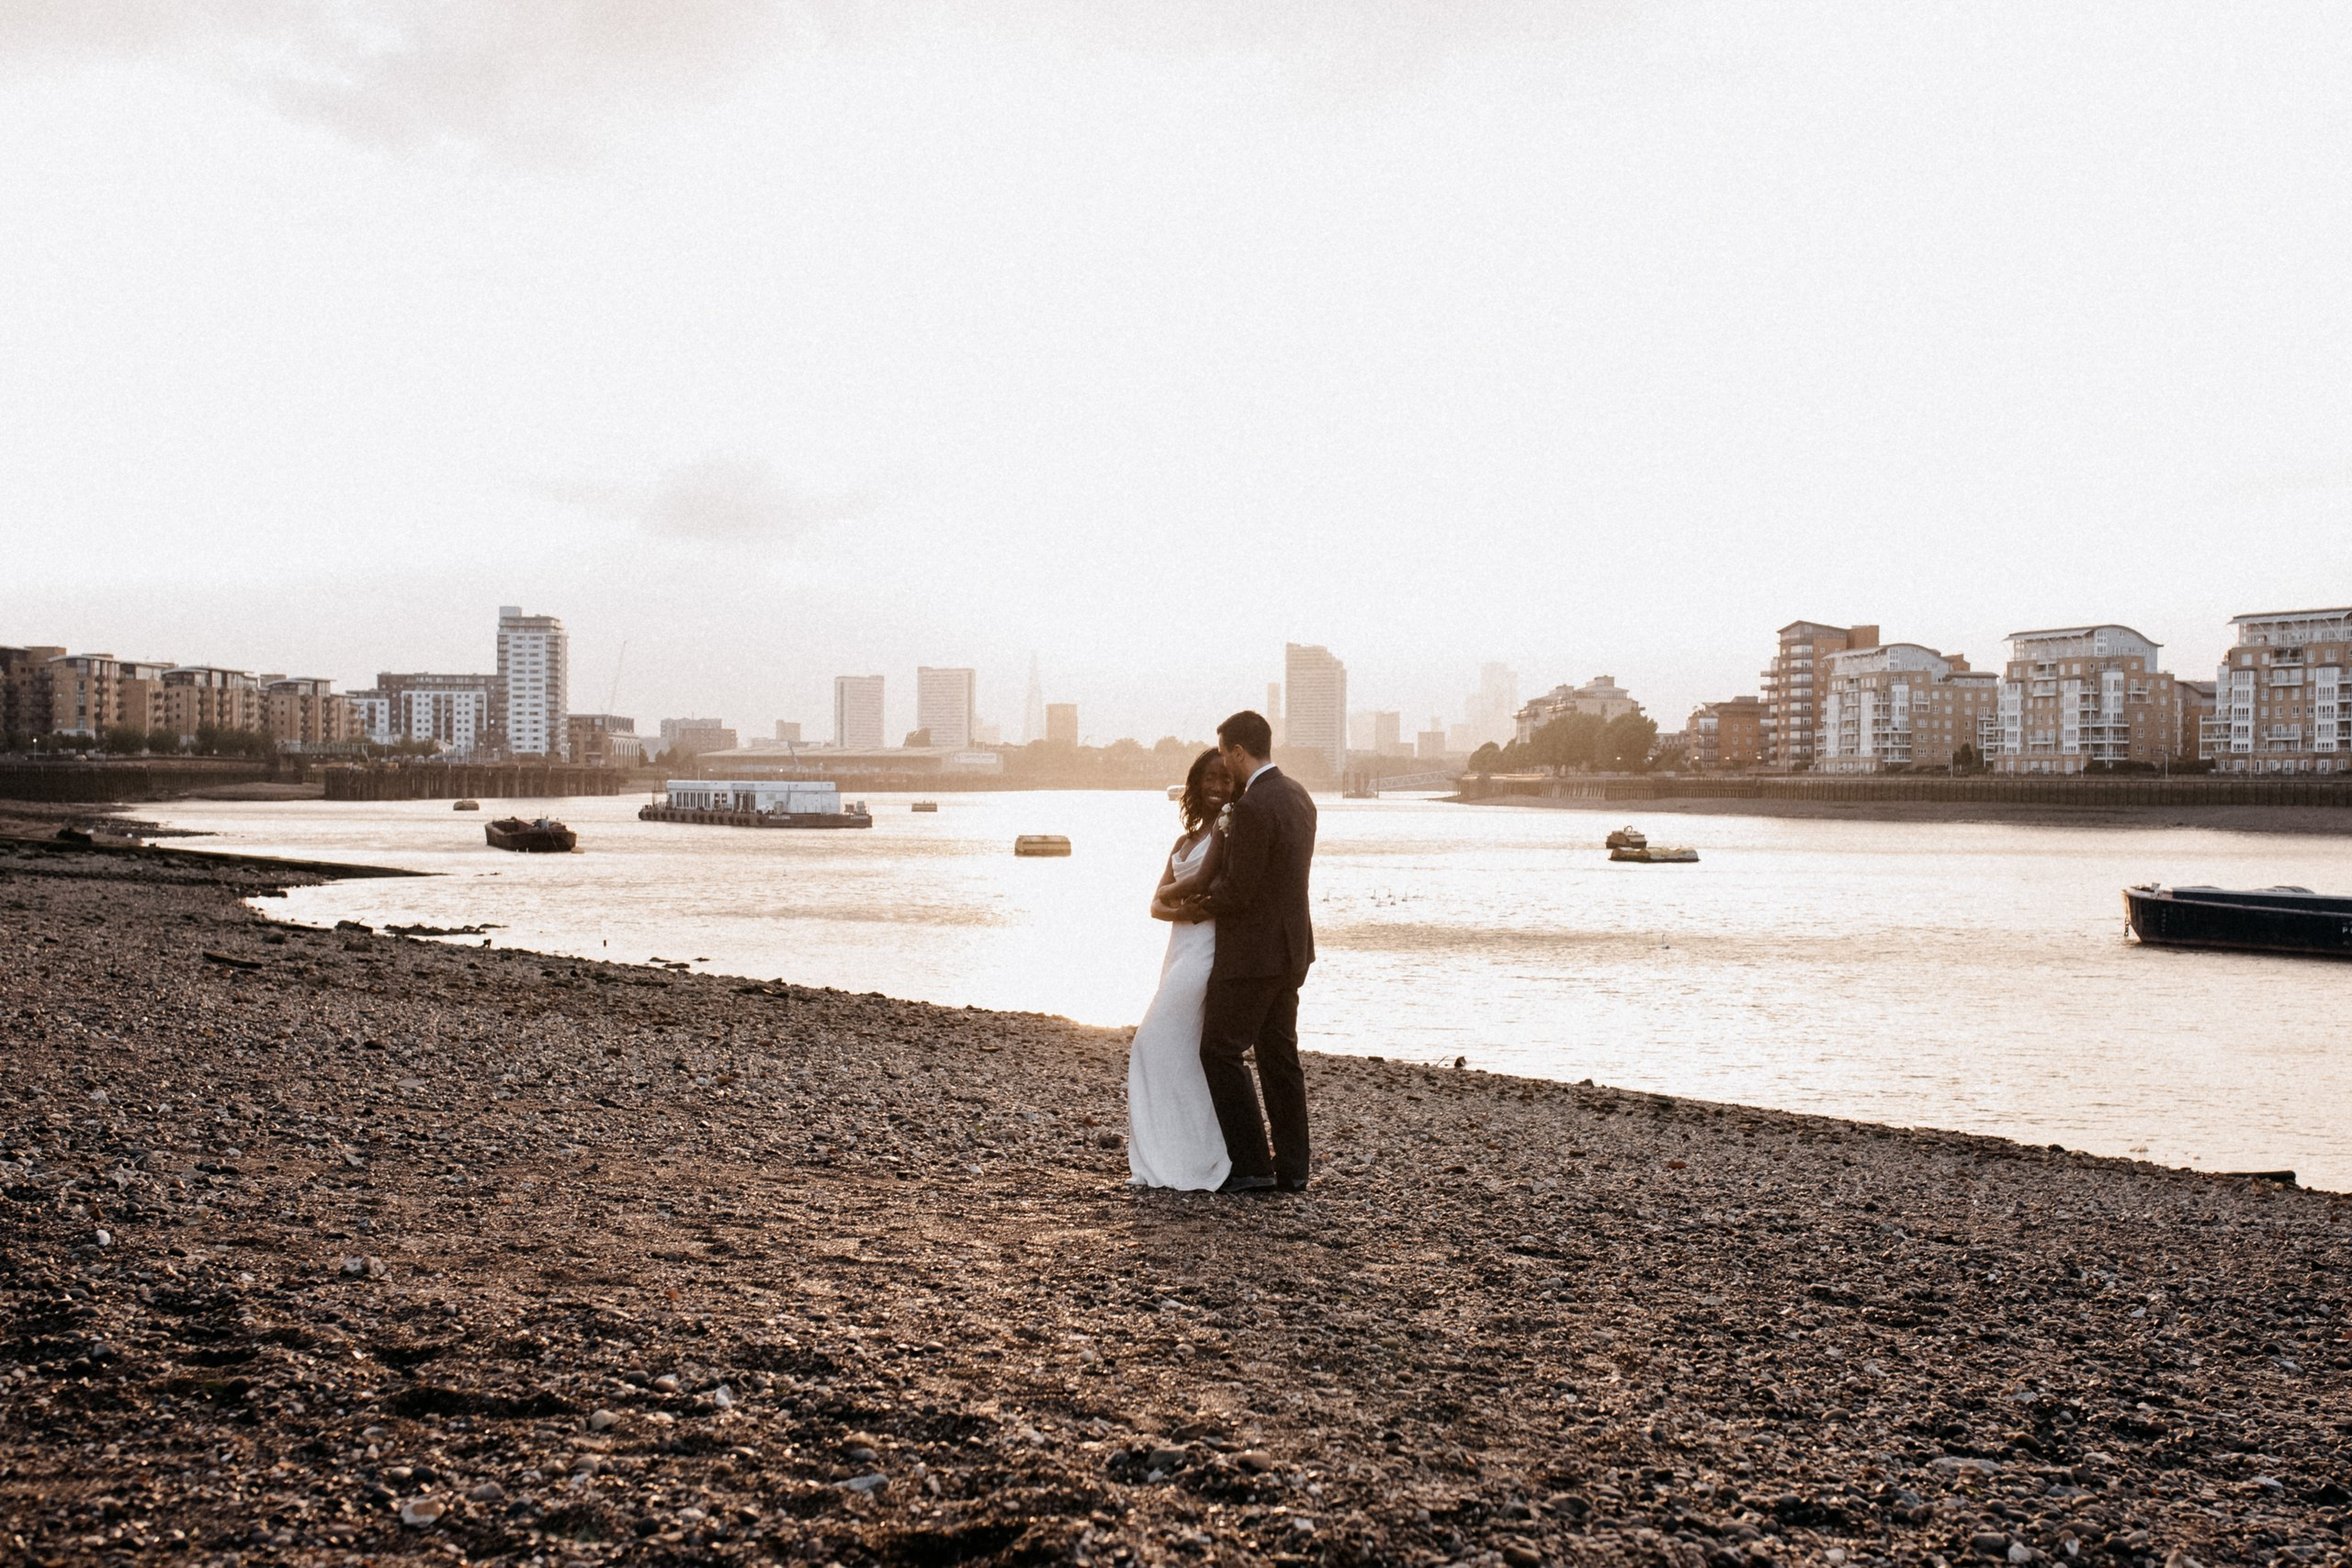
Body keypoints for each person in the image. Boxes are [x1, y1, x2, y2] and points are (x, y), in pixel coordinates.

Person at [1187, 710, 1317, 1194]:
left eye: (1225, 753)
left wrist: (1198, 906)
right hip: (1293, 949)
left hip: (1252, 956)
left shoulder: (1252, 807)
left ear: (1238, 752)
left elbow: (1240, 890)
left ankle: (1251, 1166)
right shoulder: (1299, 796)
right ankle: (1294, 1168)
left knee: (1219, 1050)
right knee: (1279, 1056)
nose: (1223, 762)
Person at [1125, 749, 1238, 1190]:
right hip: (1178, 949)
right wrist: (1179, 910)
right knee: (1180, 1050)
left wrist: (1174, 900)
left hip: (1207, 949)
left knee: (1150, 1042)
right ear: (1196, 783)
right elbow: (1155, 905)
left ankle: (1196, 1154)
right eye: (1210, 778)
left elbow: (1198, 885)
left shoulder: (1229, 829)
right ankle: (1175, 1151)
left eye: (1226, 779)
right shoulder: (1182, 842)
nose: (1217, 787)